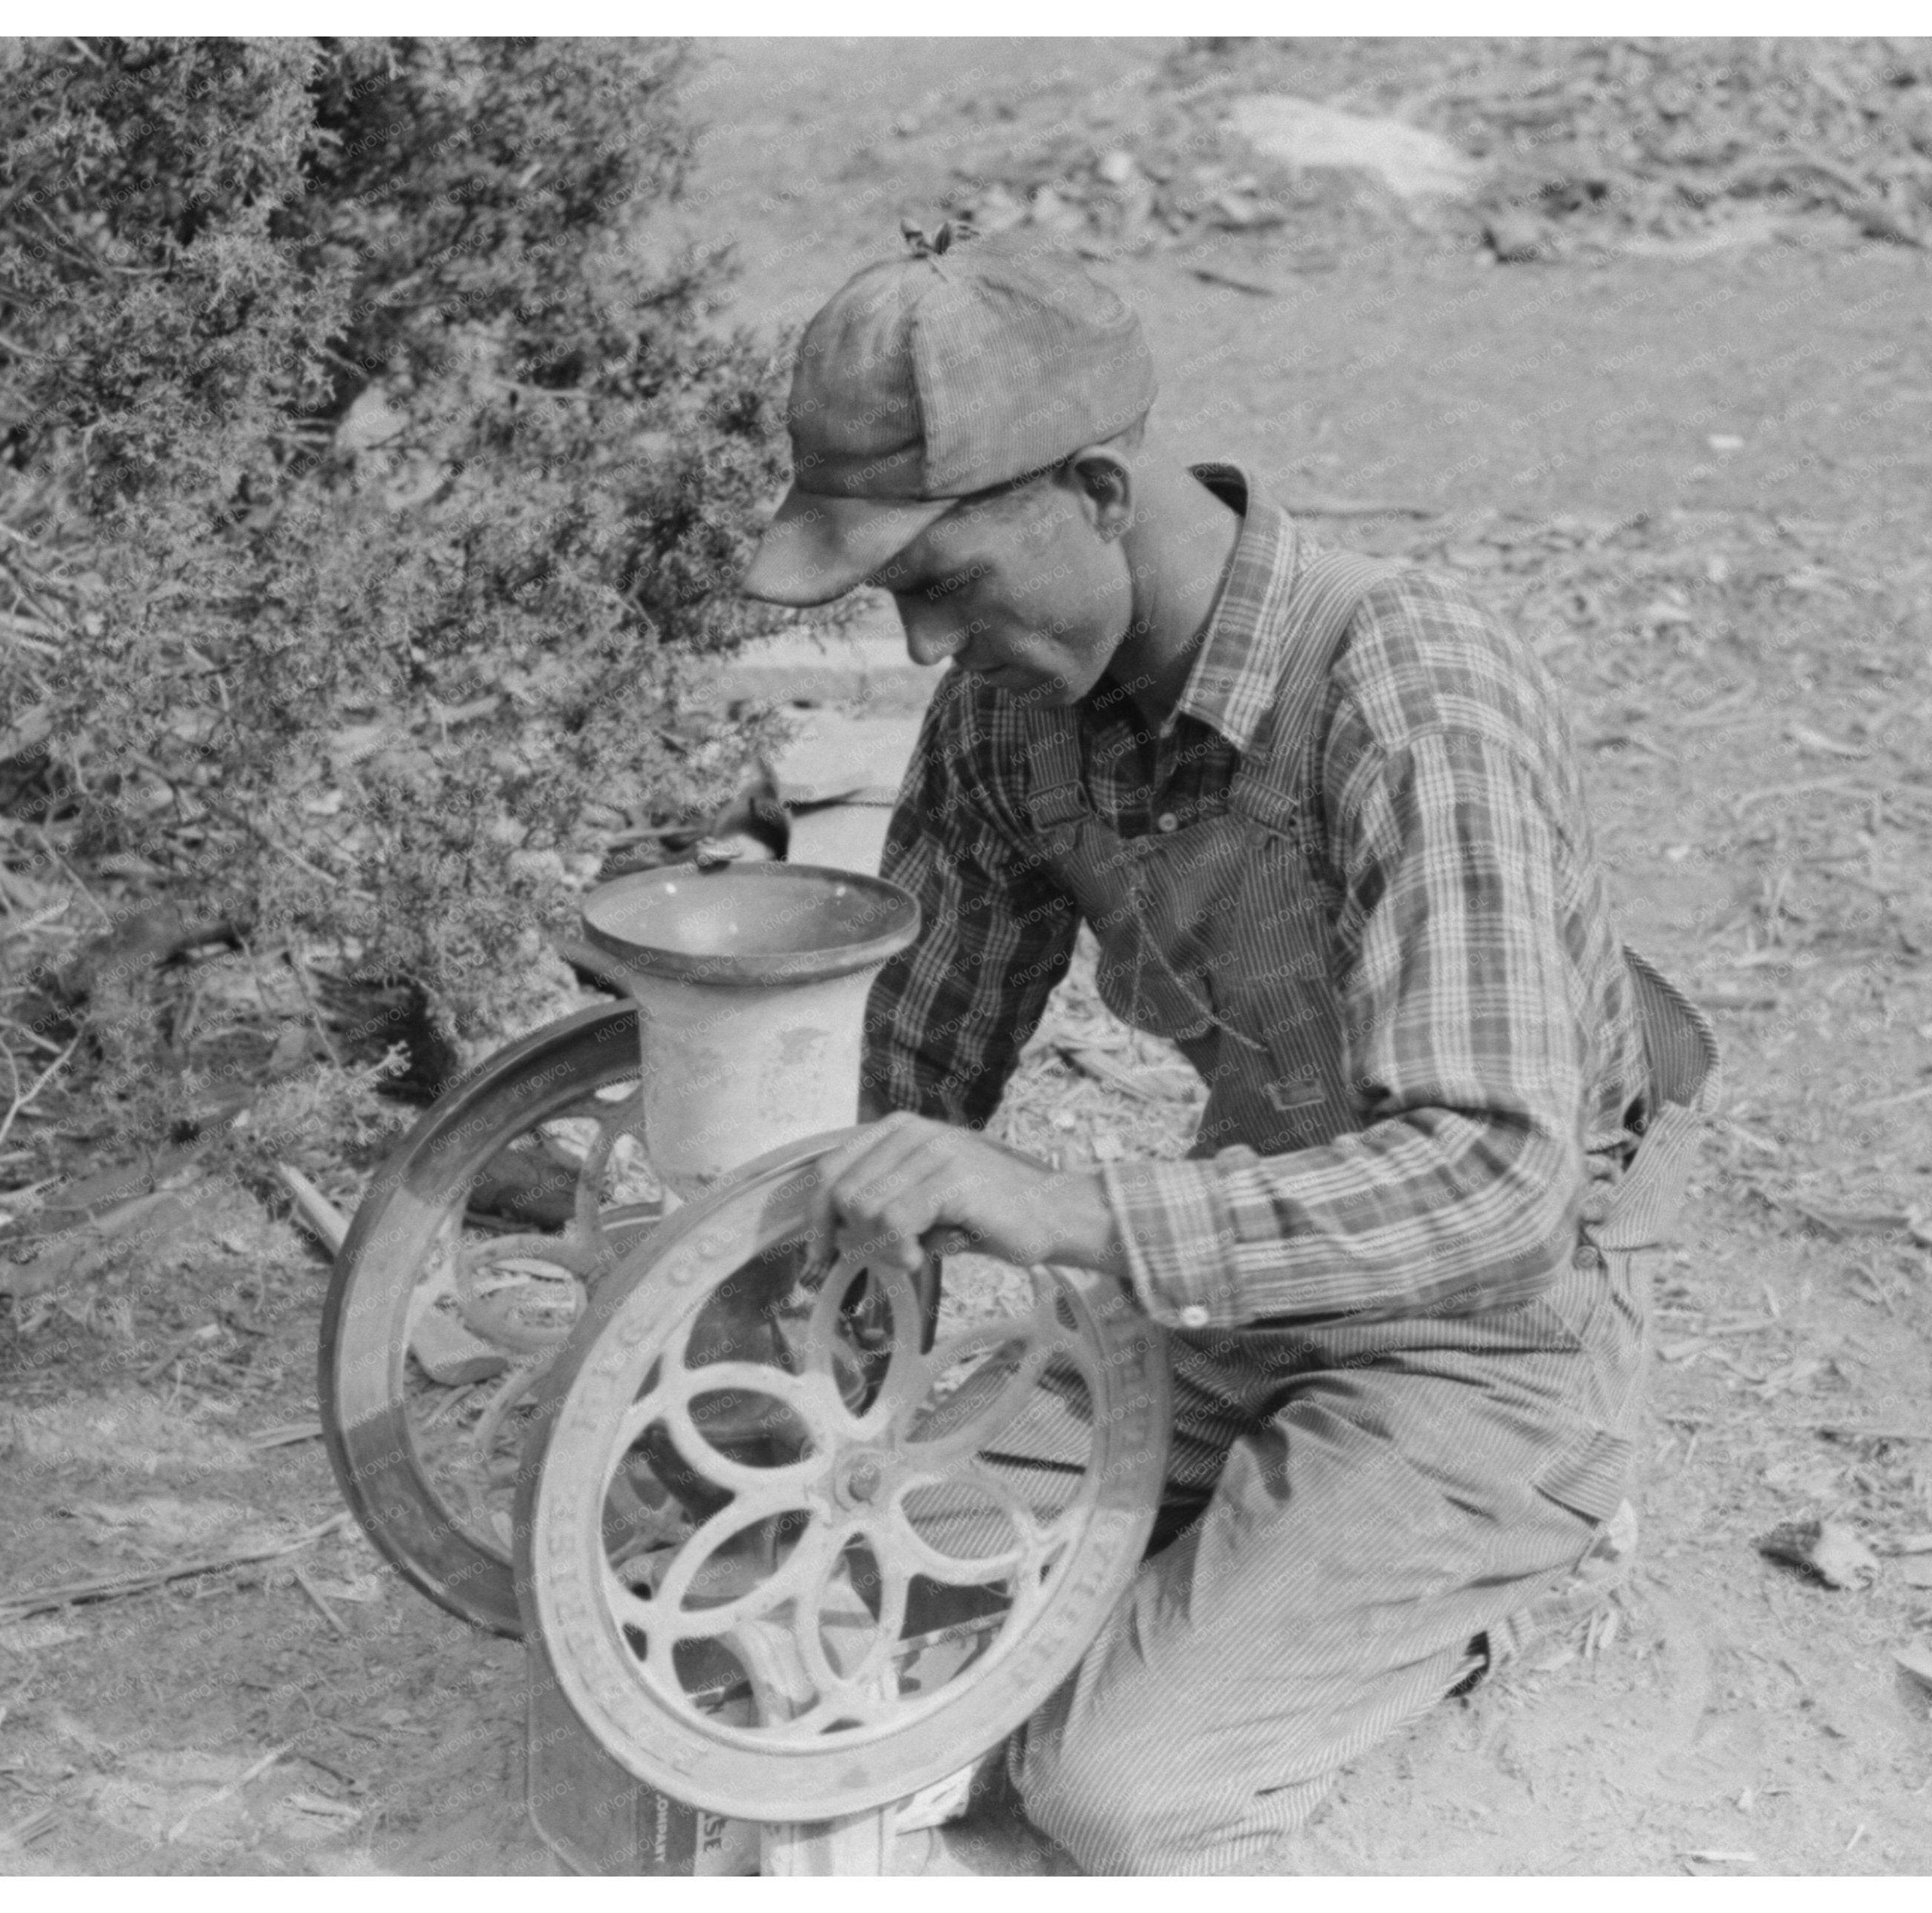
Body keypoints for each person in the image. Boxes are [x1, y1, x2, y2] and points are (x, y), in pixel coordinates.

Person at [733, 226, 1718, 1874]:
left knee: (1110, 1788)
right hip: (1220, 1306)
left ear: (1097, 496)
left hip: (1486, 1339)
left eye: (942, 582)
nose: (917, 648)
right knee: (835, 1625)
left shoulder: (1407, 686)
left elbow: (1498, 1181)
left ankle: (1511, 1552)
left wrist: (1077, 1212)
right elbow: (901, 1071)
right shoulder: (1007, 711)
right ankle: (1262, 1567)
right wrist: (764, 1342)